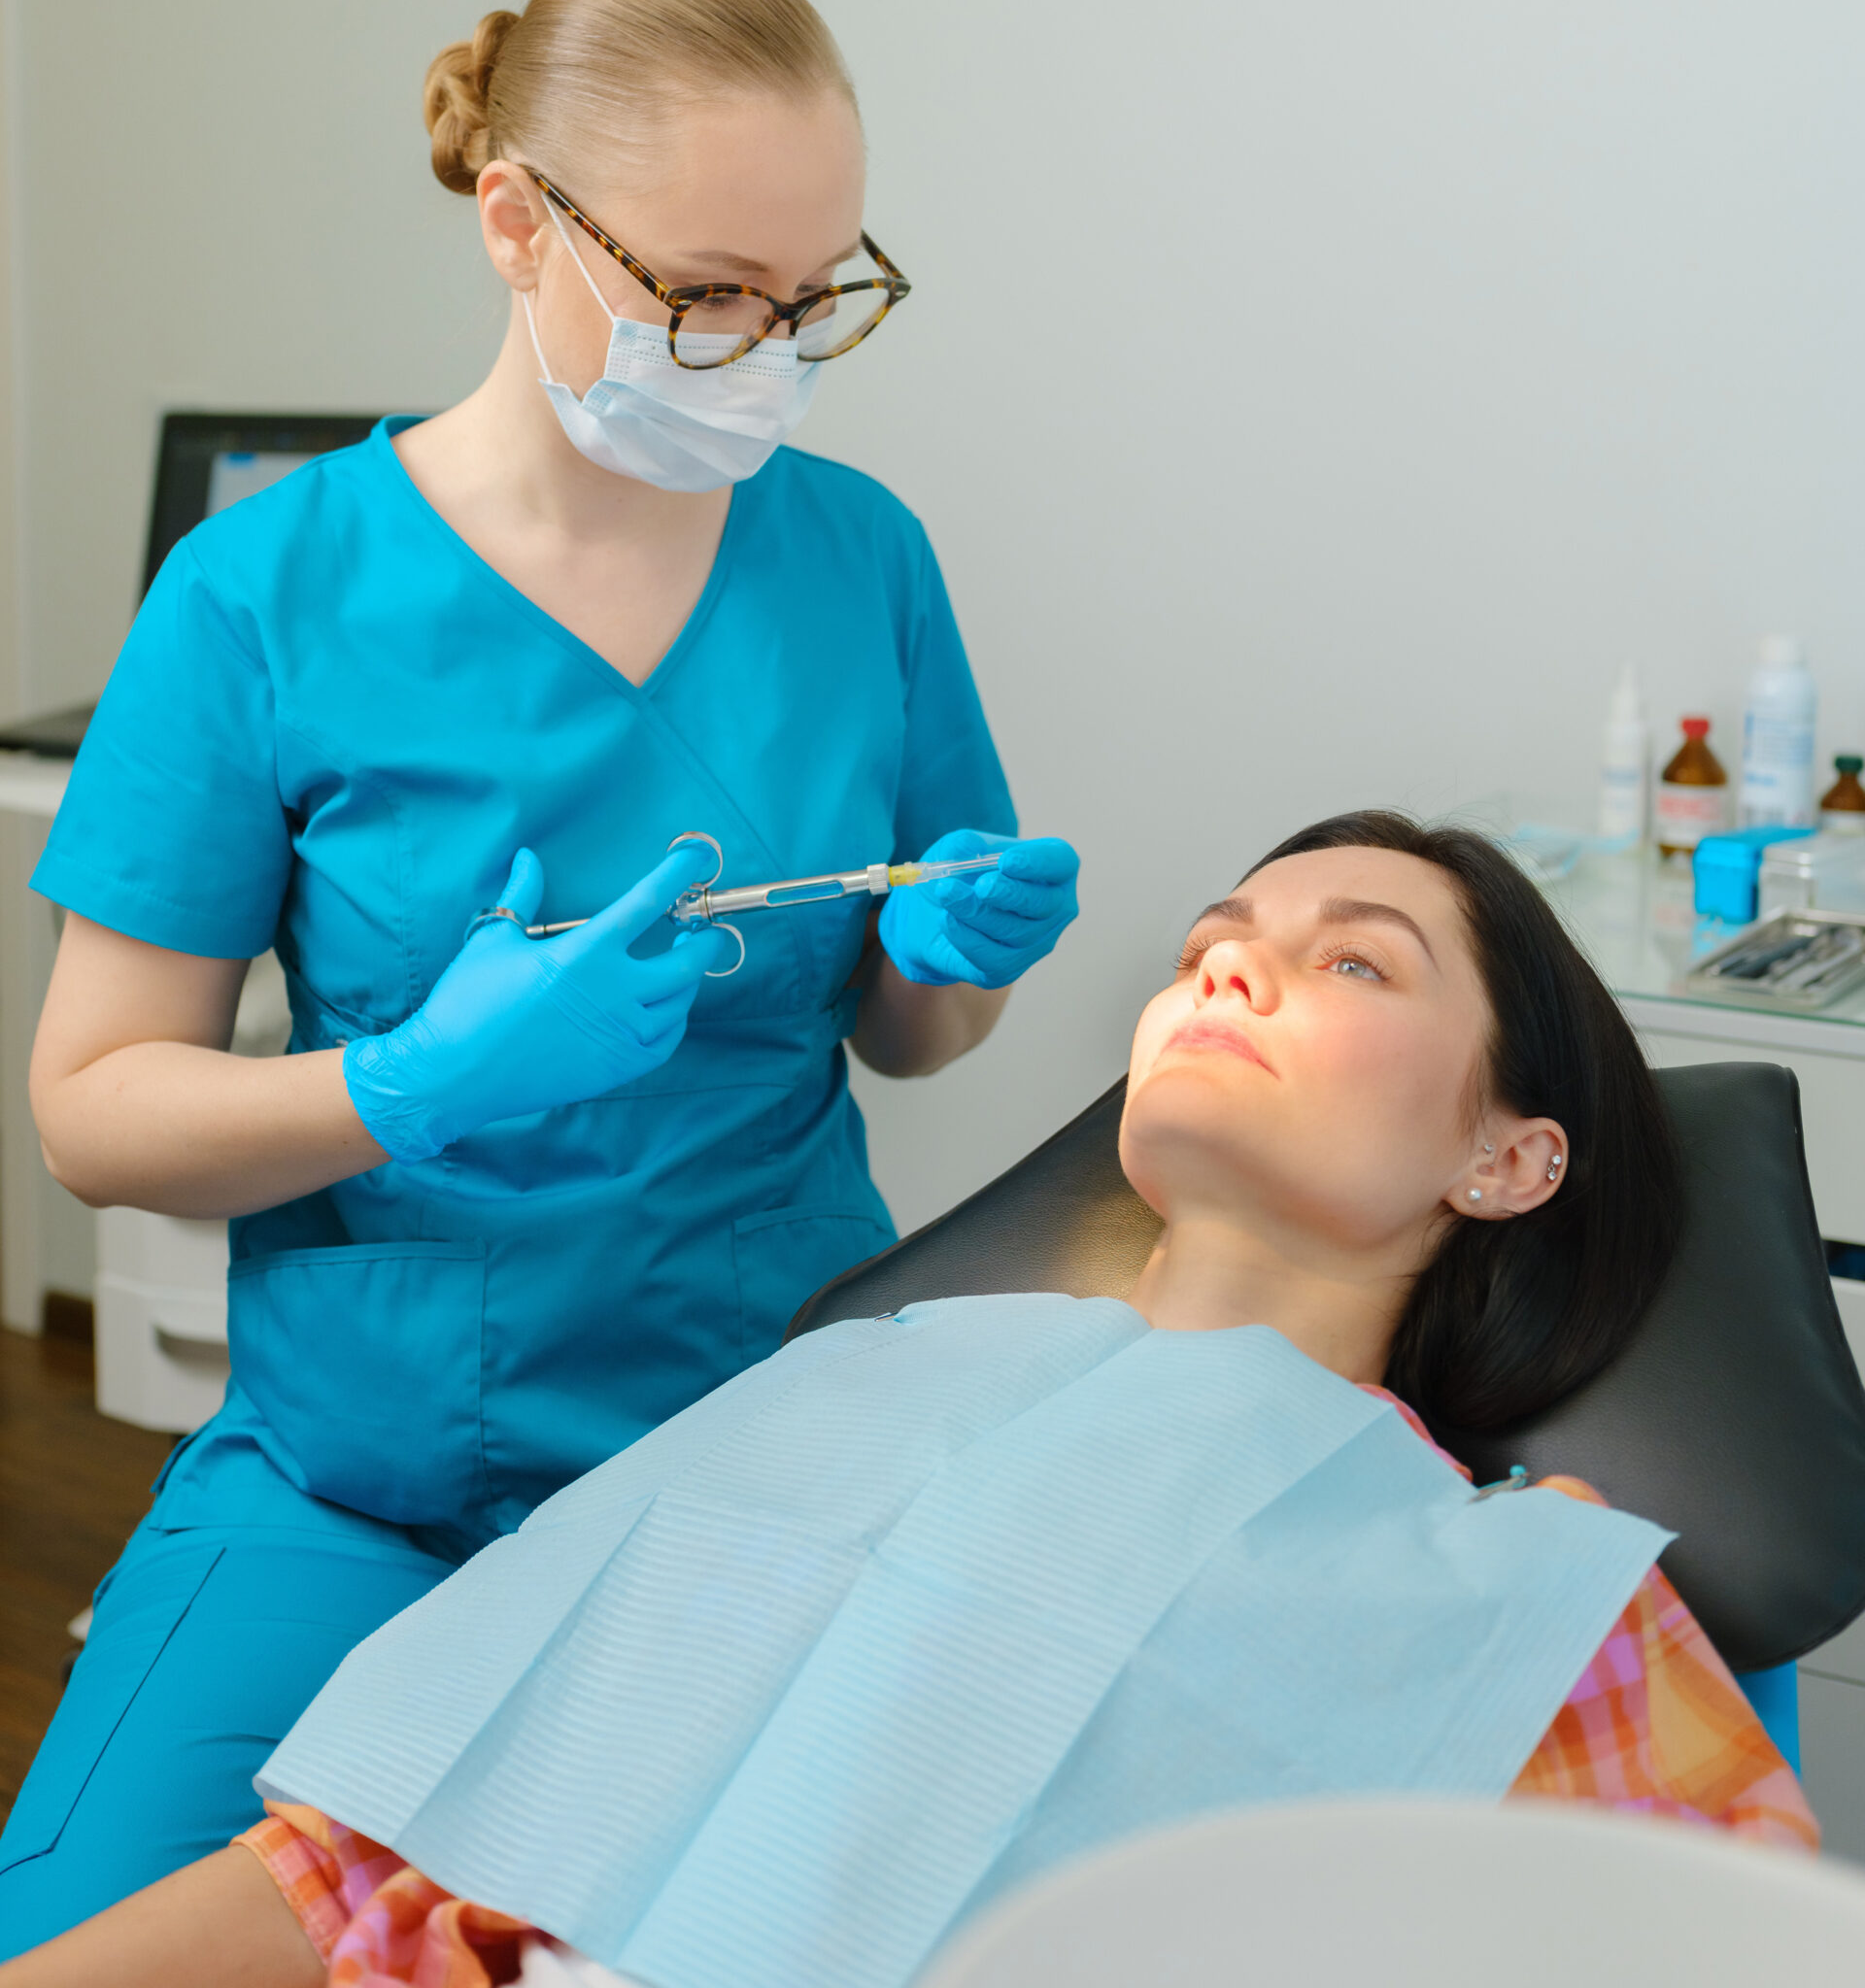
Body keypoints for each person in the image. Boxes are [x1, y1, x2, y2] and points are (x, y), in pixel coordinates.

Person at [0, 0, 1080, 1955]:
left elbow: (914, 1036)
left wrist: (959, 947)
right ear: (517, 221)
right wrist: (406, 1080)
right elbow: (91, 1111)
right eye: (705, 290)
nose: (766, 344)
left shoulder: (858, 554)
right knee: (92, 1936)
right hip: (371, 1463)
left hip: (768, 1449)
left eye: (817, 291)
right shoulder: (261, 594)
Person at [1, 814, 1814, 1988]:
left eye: (1357, 961)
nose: (1226, 965)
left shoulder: (1525, 1606)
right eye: (1213, 939)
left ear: (1508, 1158)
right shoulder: (841, 1401)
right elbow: (367, 1878)